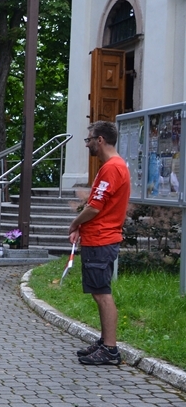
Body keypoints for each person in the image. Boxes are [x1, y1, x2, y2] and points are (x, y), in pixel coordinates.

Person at [70, 120, 130, 366]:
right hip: (99, 237)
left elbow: (95, 207)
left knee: (102, 293)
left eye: (89, 139)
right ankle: (105, 341)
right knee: (99, 292)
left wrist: (75, 223)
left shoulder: (112, 168)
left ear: (100, 140)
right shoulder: (113, 166)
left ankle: (110, 349)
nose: (87, 144)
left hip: (102, 239)